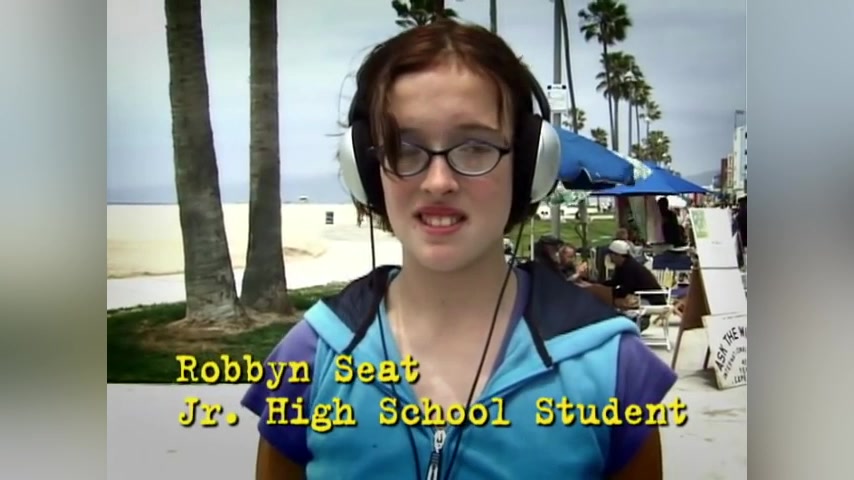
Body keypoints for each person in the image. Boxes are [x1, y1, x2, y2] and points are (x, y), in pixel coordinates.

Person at [242, 19, 675, 479]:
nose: (438, 182)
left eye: (475, 146)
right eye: (404, 147)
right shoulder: (312, 356)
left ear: (529, 164)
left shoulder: (612, 367)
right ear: (367, 170)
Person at [601, 240, 667, 310]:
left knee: (617, 302)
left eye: (611, 255)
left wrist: (610, 293)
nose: (610, 257)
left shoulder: (630, 268)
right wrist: (599, 286)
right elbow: (615, 282)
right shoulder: (623, 265)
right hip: (642, 297)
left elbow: (626, 288)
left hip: (651, 301)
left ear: (617, 255)